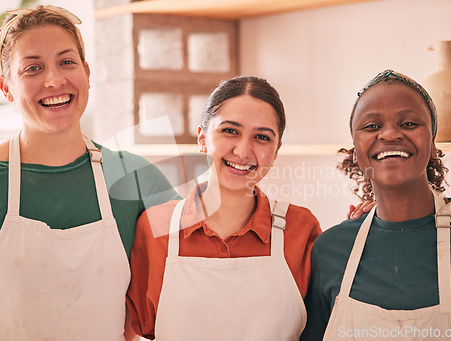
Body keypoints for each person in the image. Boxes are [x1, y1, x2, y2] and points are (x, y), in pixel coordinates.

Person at [0, 5, 178, 340]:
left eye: (67, 62)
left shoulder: (134, 176)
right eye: (32, 68)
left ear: (86, 71)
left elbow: (192, 276)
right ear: (6, 87)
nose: (54, 80)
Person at [124, 76, 323, 340]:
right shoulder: (155, 227)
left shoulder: (300, 228)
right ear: (202, 138)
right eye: (230, 131)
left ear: (276, 152)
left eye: (261, 137)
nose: (242, 151)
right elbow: (138, 328)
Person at [302, 70, 451, 341]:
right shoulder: (330, 249)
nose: (390, 134)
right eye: (371, 126)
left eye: (409, 123)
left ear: (432, 141)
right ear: (355, 147)